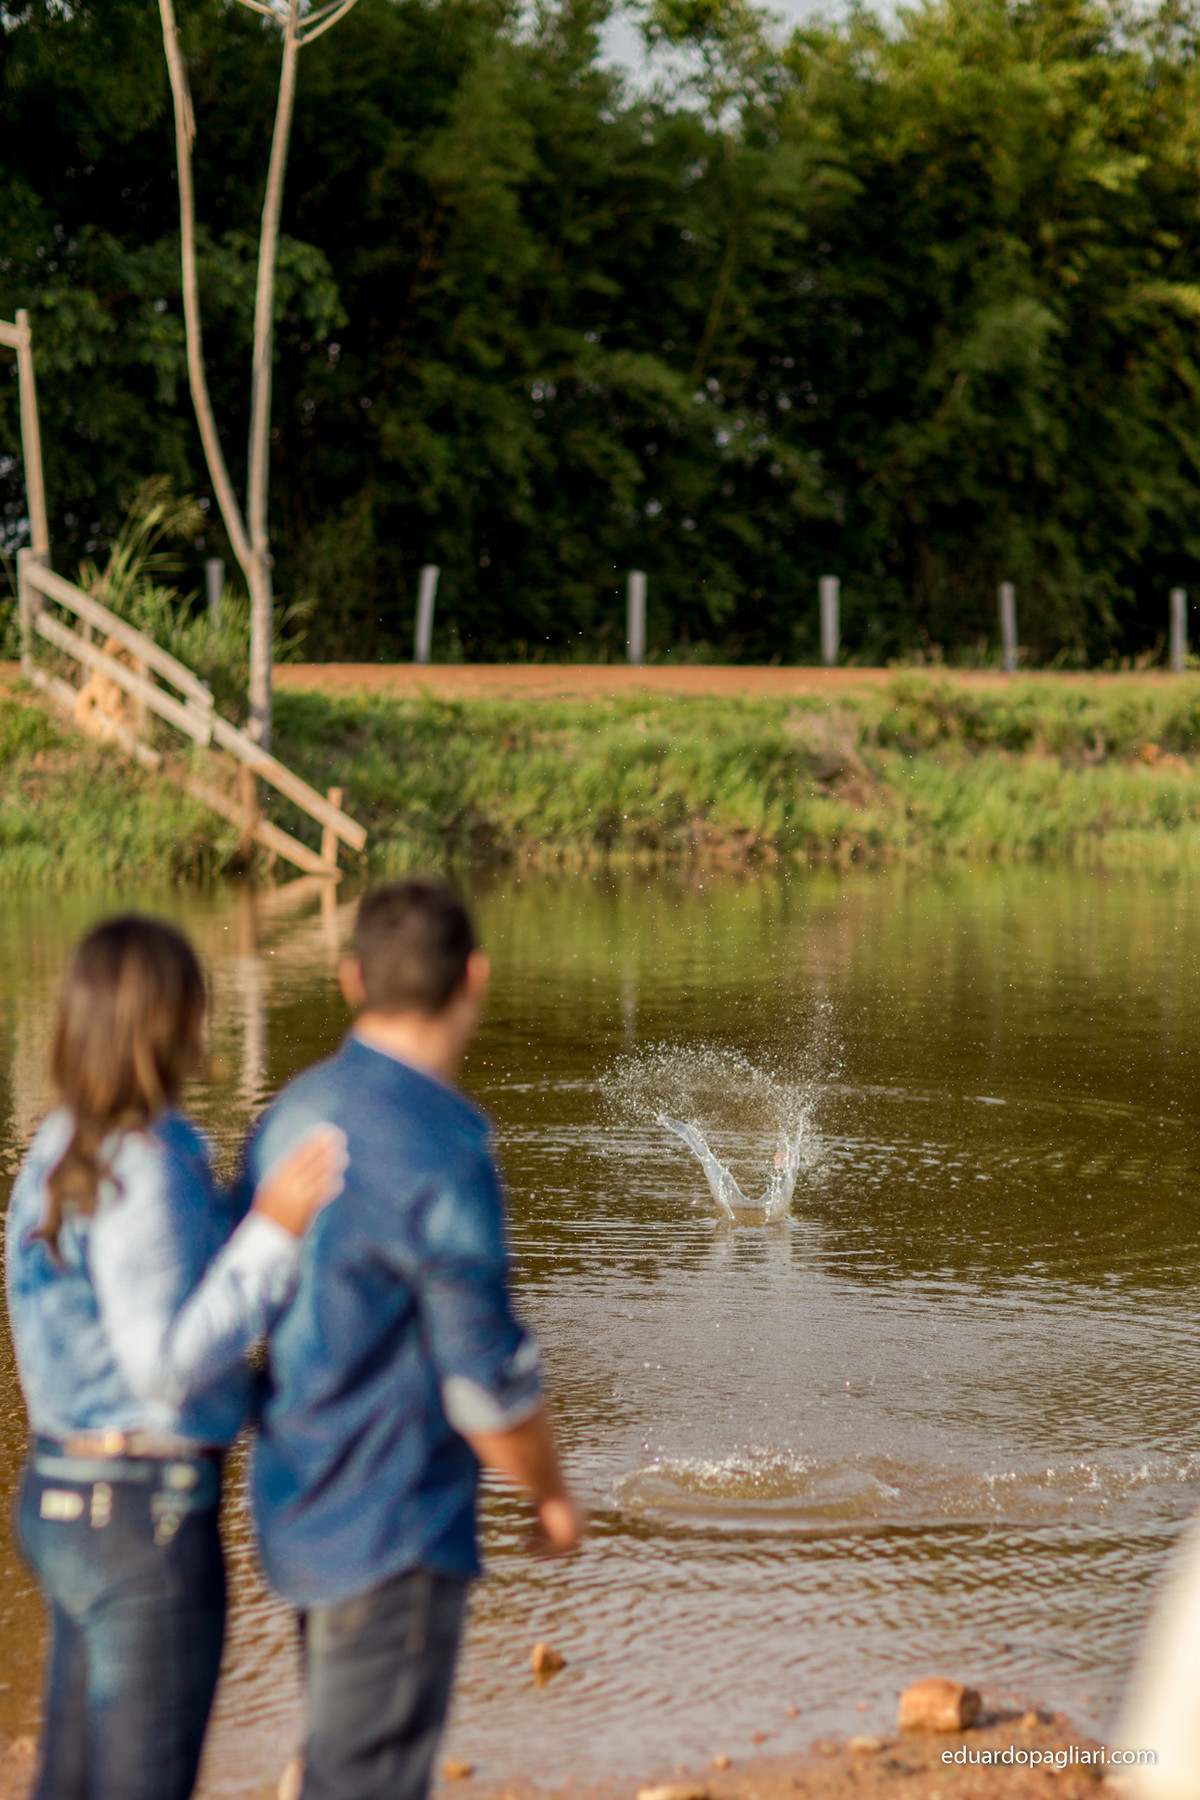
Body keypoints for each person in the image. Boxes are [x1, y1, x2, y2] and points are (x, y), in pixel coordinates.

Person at [242, 877, 582, 1800]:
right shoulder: (445, 1146)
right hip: (394, 1519)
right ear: (473, 978)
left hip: (295, 1500)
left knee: (339, 1757)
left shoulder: (290, 1115)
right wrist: (551, 1494)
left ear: (352, 980)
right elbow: (482, 1380)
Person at [5, 914, 347, 1800]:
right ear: (173, 1018)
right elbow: (161, 1364)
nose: (210, 1020)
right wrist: (272, 1235)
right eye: (201, 1000)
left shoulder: (54, 1149)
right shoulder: (145, 1164)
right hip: (142, 1518)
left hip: (65, 1494)